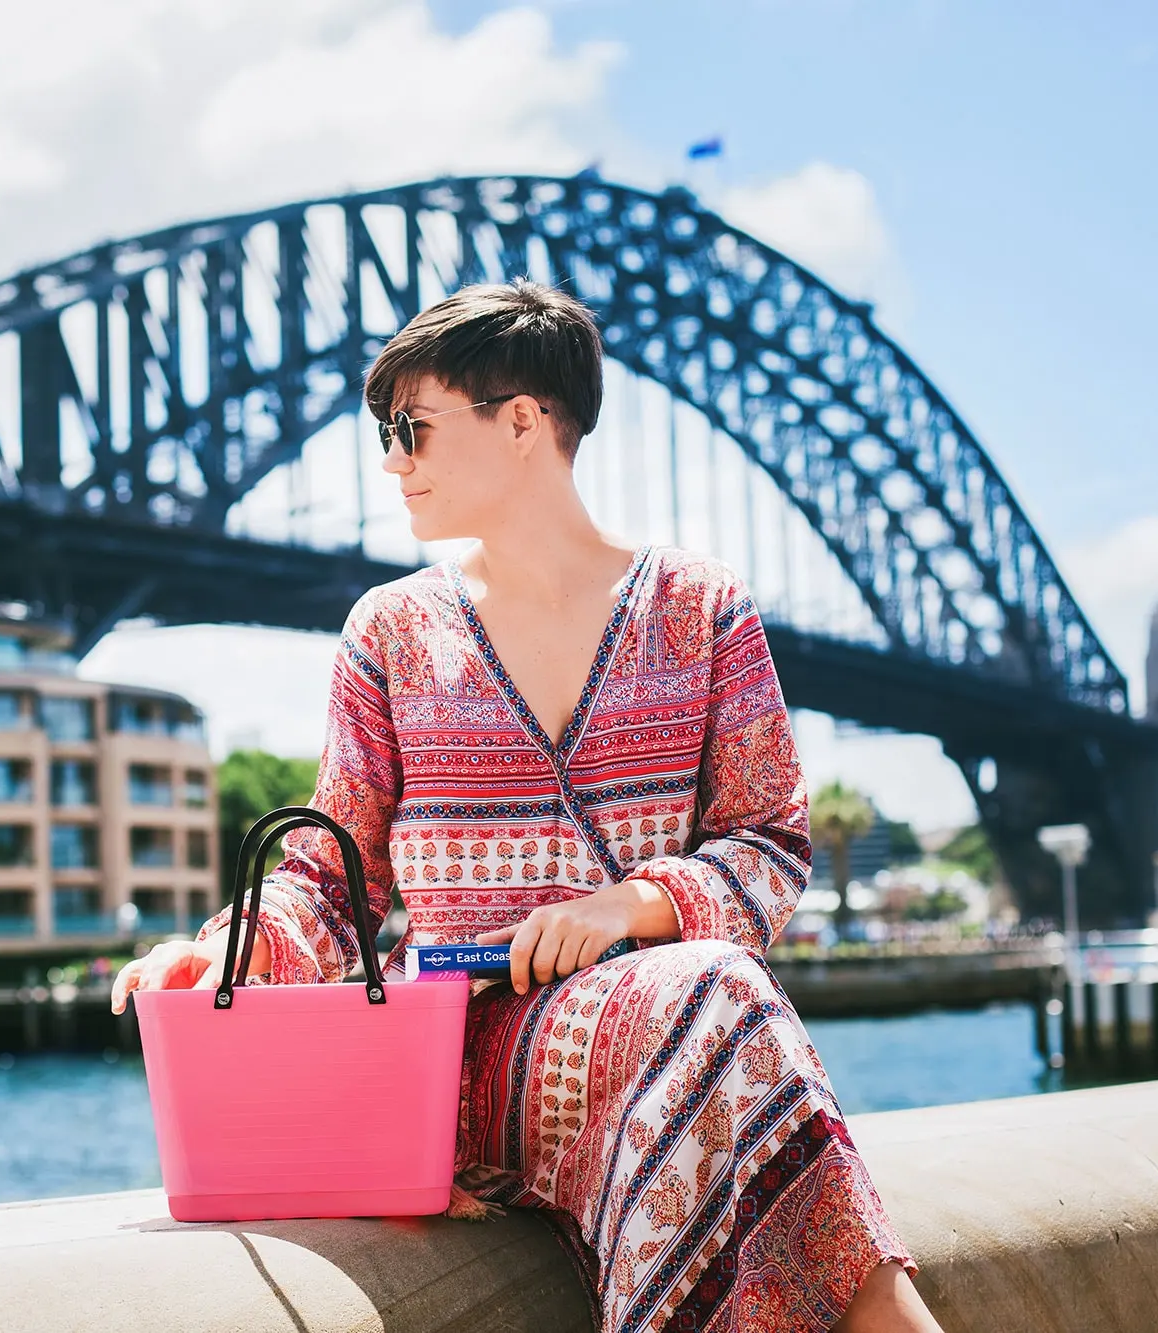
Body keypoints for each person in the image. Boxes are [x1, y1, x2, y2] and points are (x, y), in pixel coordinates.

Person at [113, 280, 941, 1333]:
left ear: (519, 423)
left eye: (410, 428)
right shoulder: (392, 630)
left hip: (664, 1028)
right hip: (463, 1059)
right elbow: (332, 879)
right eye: (385, 434)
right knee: (719, 996)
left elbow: (769, 843)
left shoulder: (700, 607)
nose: (390, 461)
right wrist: (225, 950)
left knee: (710, 997)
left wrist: (630, 905)